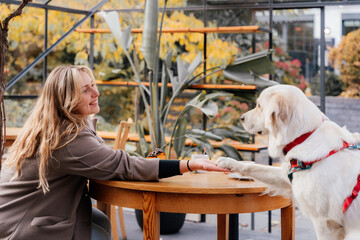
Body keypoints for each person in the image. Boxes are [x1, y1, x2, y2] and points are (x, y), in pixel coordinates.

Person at [0, 65, 229, 240]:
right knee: (99, 226)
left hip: (13, 216)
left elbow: (106, 158)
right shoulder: (68, 138)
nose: (95, 93)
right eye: (85, 90)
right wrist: (188, 165)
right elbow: (125, 166)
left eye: (93, 85)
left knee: (100, 220)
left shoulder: (52, 126)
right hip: (21, 227)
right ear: (65, 100)